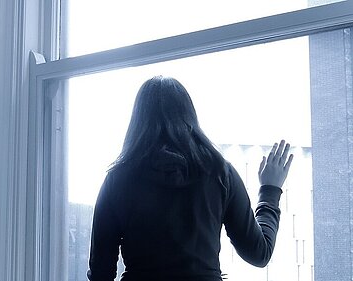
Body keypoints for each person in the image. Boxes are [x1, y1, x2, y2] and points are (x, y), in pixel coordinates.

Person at [86, 76, 293, 281]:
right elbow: (259, 254)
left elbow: (100, 273)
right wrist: (270, 190)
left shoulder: (118, 180)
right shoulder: (220, 173)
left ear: (138, 120)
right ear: (189, 115)